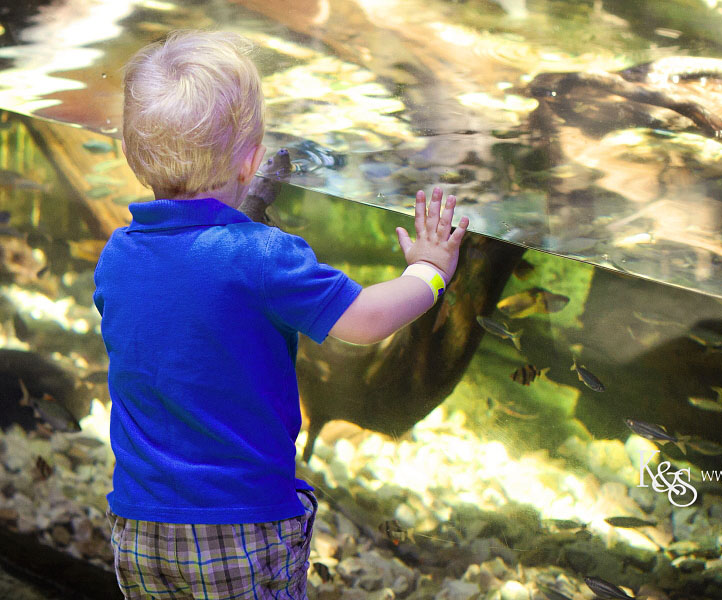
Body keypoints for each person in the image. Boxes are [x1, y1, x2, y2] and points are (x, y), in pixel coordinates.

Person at [94, 29, 468, 599]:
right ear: (252, 160)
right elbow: (365, 321)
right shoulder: (262, 255)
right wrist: (430, 271)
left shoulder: (117, 255)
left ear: (129, 151)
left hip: (139, 523)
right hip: (239, 523)